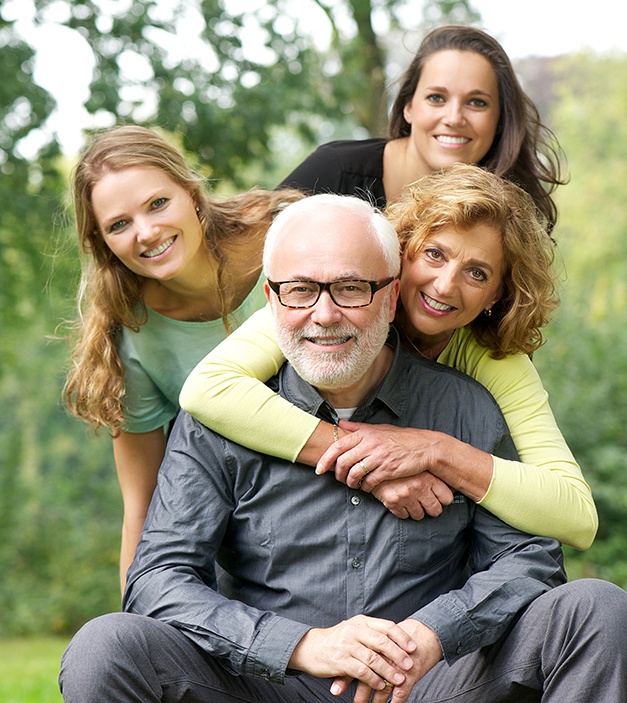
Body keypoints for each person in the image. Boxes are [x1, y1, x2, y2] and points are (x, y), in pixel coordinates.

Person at [59, 194, 627, 703]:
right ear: (272, 298)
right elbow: (158, 576)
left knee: (593, 609)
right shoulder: (219, 415)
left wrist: (431, 635)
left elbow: (527, 559)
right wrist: (300, 645)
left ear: (389, 293)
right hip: (267, 684)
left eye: (351, 288)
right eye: (301, 290)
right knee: (106, 645)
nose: (324, 315)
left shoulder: (469, 404)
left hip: (430, 685)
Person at [180, 163, 597, 550]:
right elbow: (207, 389)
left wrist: (437, 451)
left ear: (496, 295)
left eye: (477, 273)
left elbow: (576, 517)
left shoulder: (492, 357)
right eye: (435, 254)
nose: (446, 285)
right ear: (402, 250)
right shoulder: (338, 305)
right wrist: (367, 459)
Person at [62, 124, 303, 588]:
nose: (147, 232)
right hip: (255, 528)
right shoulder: (130, 336)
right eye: (119, 224)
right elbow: (145, 504)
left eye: (157, 204)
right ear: (102, 242)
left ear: (191, 194)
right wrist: (136, 626)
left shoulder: (286, 233)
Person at [279, 24, 564, 229]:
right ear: (408, 107)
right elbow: (243, 248)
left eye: (476, 102)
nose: (454, 117)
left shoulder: (509, 214)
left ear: (500, 120)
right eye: (436, 98)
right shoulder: (336, 170)